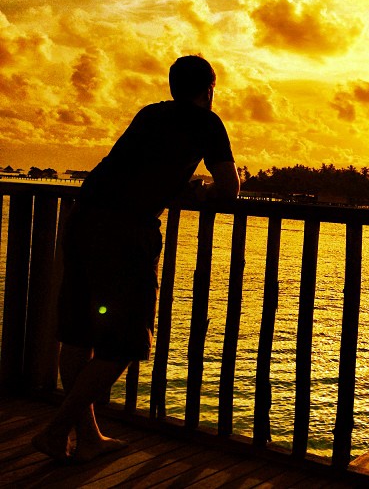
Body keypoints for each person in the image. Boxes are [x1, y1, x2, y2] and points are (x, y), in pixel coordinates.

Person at [32, 55, 240, 462]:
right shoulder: (206, 123)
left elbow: (135, 168)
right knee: (126, 341)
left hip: (84, 217)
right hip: (125, 232)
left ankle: (85, 435)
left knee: (78, 334)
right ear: (209, 89)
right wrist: (200, 193)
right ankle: (56, 429)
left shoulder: (149, 115)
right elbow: (229, 187)